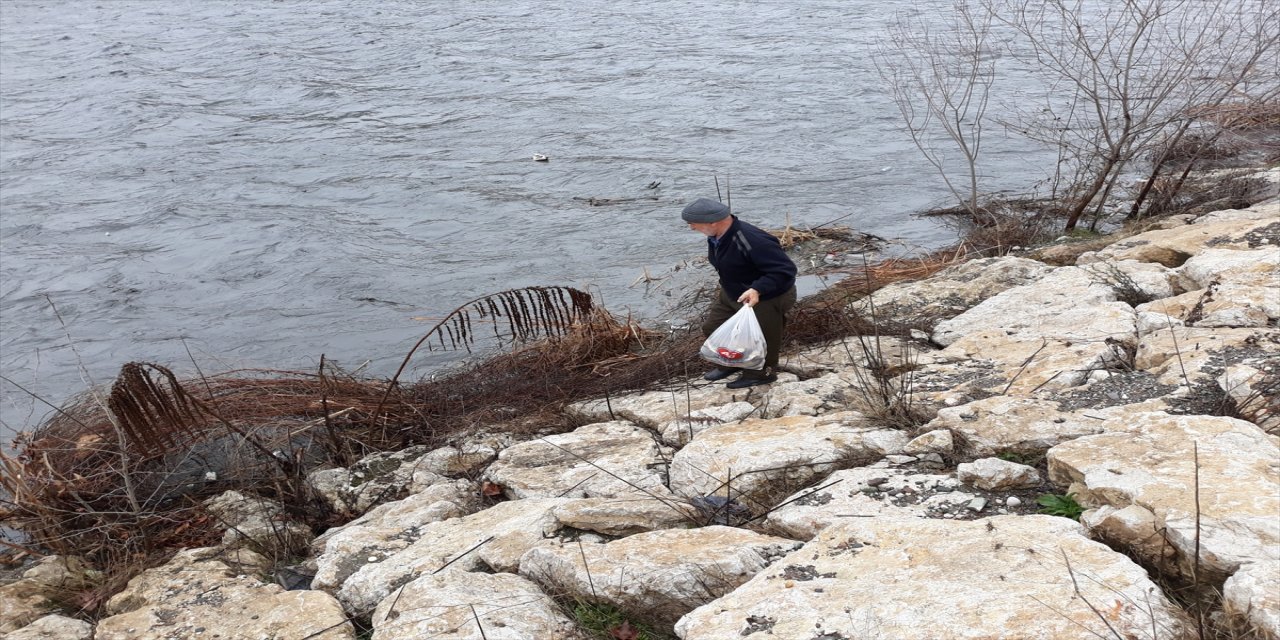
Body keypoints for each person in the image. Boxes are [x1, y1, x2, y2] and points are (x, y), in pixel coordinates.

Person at [682, 197, 797, 388]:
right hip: (734, 292)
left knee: (760, 337)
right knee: (713, 328)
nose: (692, 228)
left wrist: (758, 289)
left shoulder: (752, 239)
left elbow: (785, 270)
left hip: (767, 296)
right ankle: (731, 363)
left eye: (694, 224)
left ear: (713, 222)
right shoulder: (716, 236)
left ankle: (761, 374)